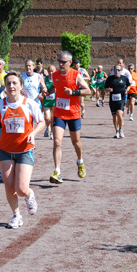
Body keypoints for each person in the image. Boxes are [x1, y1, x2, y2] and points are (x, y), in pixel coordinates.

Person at [0, 72, 45, 229]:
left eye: (14, 83)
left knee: (21, 188)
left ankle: (30, 195)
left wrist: (33, 133)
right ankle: (16, 215)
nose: (11, 86)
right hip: (5, 150)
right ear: (5, 86)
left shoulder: (29, 103)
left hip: (25, 150)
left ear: (21, 85)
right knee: (10, 187)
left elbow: (42, 122)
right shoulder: (0, 104)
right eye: (9, 83)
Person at [48, 51, 91, 184]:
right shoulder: (54, 75)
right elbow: (53, 87)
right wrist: (45, 92)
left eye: (63, 62)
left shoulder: (76, 75)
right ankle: (57, 171)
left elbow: (88, 91)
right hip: (59, 114)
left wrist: (73, 92)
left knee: (76, 142)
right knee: (57, 142)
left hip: (73, 114)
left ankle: (80, 161)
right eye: (59, 61)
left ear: (70, 63)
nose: (60, 64)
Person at [105, 65, 131, 139]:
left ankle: (121, 130)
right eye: (115, 70)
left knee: (119, 114)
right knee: (114, 117)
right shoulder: (110, 79)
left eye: (118, 70)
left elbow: (128, 85)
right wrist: (108, 90)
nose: (117, 71)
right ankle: (116, 131)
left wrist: (127, 90)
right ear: (113, 70)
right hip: (113, 100)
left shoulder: (124, 78)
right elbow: (105, 88)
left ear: (121, 70)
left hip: (121, 99)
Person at [42, 64, 56, 139]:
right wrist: (43, 91)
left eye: (52, 71)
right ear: (47, 71)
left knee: (53, 118)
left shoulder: (57, 79)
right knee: (47, 118)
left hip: (54, 101)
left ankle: (52, 133)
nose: (51, 73)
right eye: (50, 71)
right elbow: (42, 88)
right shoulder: (45, 79)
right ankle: (48, 128)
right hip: (47, 101)